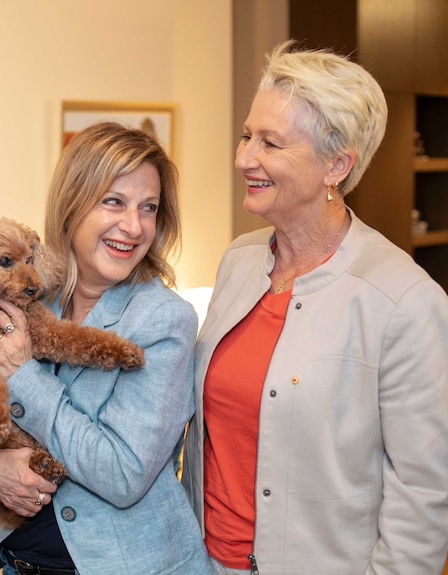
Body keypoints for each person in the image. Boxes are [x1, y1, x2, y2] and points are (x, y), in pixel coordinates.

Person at [181, 41, 448, 574]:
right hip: (199, 562)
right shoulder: (239, 261)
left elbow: (422, 497)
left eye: (271, 143)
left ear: (337, 165)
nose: (243, 158)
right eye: (246, 135)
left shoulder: (405, 302)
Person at [0, 121, 212, 574]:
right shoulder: (23, 297)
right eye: (114, 202)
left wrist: (23, 373)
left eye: (149, 208)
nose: (133, 226)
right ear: (72, 203)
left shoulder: (164, 320)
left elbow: (123, 474)